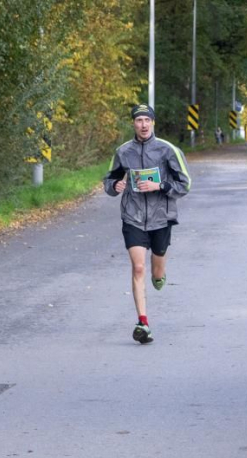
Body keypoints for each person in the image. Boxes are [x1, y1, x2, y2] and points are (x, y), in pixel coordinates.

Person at [103, 104, 192, 344]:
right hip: (132, 216)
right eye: (138, 120)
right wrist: (115, 186)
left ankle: (160, 273)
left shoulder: (168, 150)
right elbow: (109, 179)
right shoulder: (123, 152)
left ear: (153, 123)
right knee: (138, 268)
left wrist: (159, 186)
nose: (143, 124)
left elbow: (185, 184)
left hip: (161, 217)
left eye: (147, 120)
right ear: (133, 123)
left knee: (156, 270)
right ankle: (143, 322)